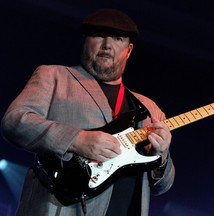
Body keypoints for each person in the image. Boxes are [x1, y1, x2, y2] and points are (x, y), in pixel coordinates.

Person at [1, 8, 175, 216]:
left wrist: (161, 156)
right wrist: (77, 140)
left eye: (117, 39)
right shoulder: (55, 76)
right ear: (85, 41)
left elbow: (161, 187)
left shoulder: (149, 108)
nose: (107, 45)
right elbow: (14, 121)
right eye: (99, 36)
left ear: (128, 50)